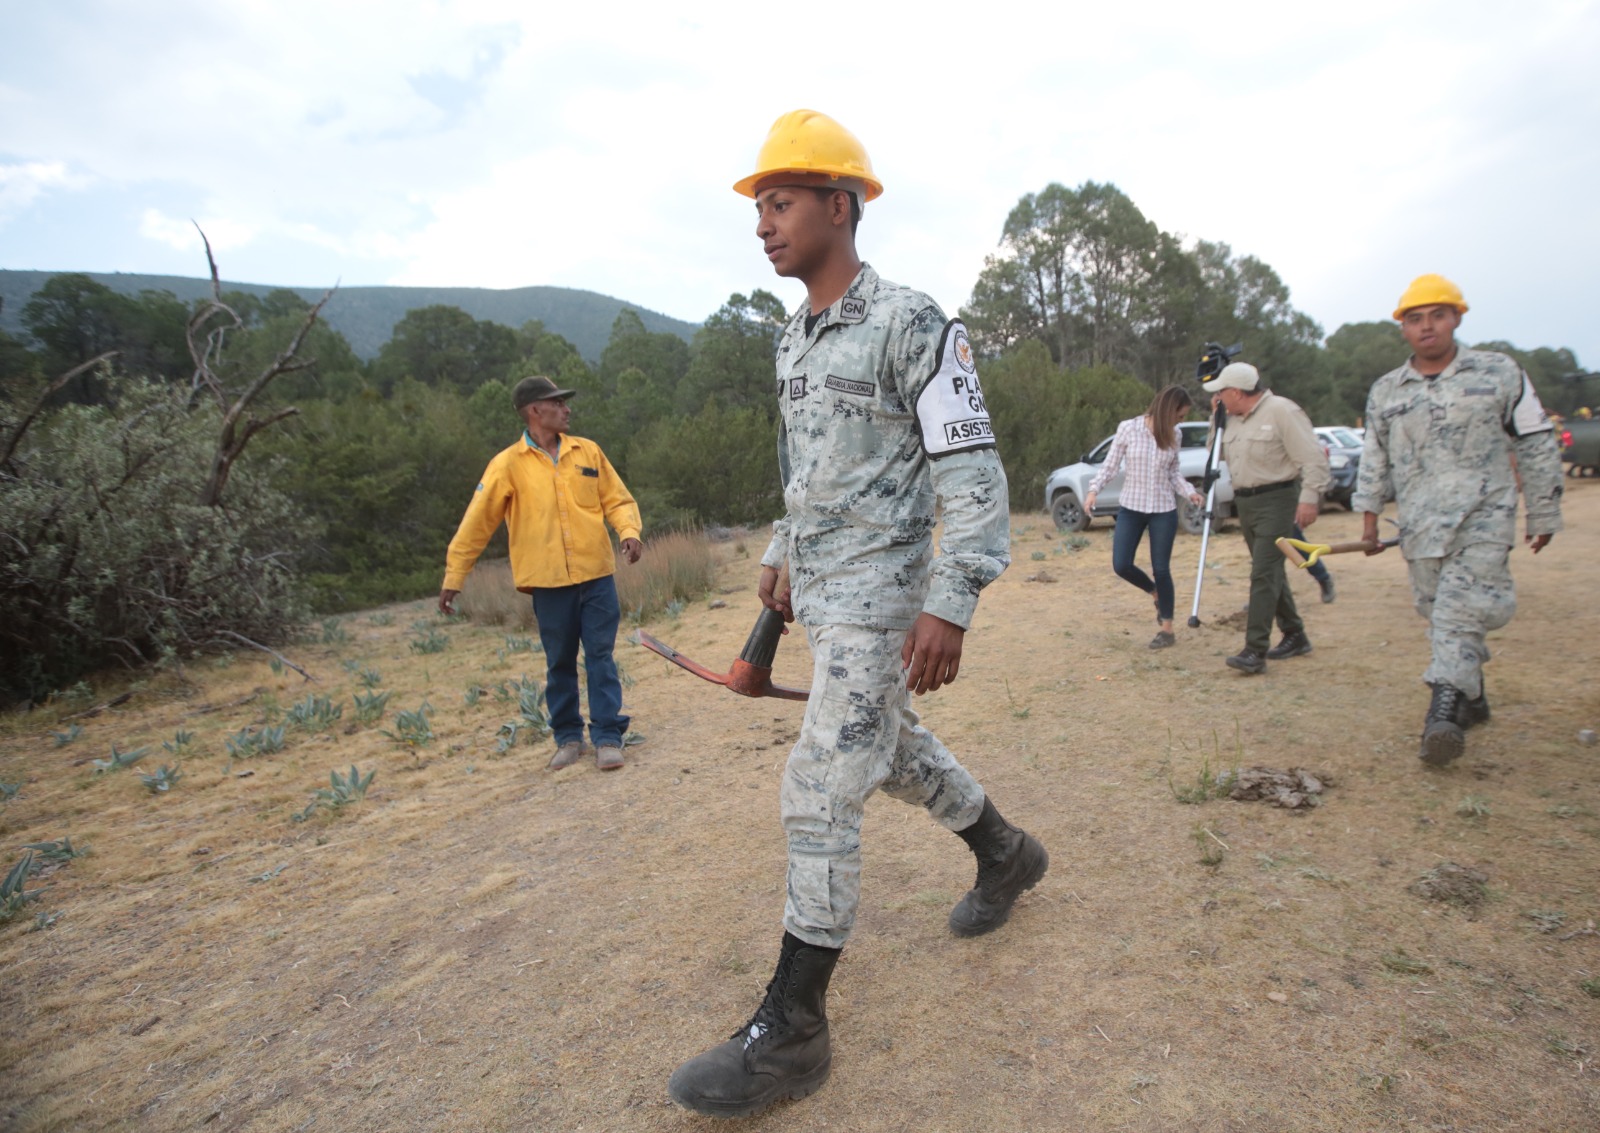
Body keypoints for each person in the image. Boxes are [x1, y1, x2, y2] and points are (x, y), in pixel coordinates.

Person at [667, 109, 1048, 1119]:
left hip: (888, 598)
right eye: (757, 206)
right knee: (886, 753)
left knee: (819, 783)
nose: (763, 224)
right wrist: (782, 553)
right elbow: (808, 469)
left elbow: (970, 468)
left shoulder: (912, 322)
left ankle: (792, 1022)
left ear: (841, 206)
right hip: (826, 593)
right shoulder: (790, 338)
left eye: (780, 202)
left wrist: (950, 599)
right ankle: (1005, 851)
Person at [1352, 274, 1563, 766]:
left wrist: (1544, 508)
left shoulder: (1500, 373)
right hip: (1420, 524)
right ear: (1403, 328)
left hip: (1484, 517)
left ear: (1457, 319)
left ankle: (1443, 714)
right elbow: (1373, 457)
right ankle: (1475, 694)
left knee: (1459, 610)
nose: (1427, 327)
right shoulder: (1386, 390)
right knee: (1437, 611)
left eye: (1437, 316)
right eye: (1415, 319)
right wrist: (1369, 518)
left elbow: (1535, 440)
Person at [438, 376, 643, 771]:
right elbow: (475, 524)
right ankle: (568, 738)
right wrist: (454, 576)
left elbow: (617, 499)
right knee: (560, 661)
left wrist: (629, 531)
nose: (567, 409)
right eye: (558, 402)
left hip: (596, 575)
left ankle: (607, 738)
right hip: (548, 584)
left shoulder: (588, 452)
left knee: (600, 655)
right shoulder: (506, 466)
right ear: (535, 410)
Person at [1202, 362, 1331, 674]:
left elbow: (1312, 459)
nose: (1217, 396)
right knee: (1271, 571)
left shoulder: (1282, 411)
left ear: (1235, 392)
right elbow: (1213, 453)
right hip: (1245, 503)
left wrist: (1309, 499)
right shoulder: (1229, 419)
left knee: (1263, 573)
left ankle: (1254, 650)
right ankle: (1295, 634)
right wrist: (1215, 418)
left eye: (1221, 391)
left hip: (1277, 499)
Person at [1082, 386, 1205, 648]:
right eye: (1179, 415)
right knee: (1121, 564)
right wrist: (1093, 491)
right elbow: (1111, 465)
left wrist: (1190, 492)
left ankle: (1167, 629)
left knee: (1161, 568)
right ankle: (1155, 592)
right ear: (1167, 410)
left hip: (1163, 509)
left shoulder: (1175, 434)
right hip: (1131, 507)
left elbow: (1173, 473)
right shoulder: (1129, 428)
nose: (1180, 421)